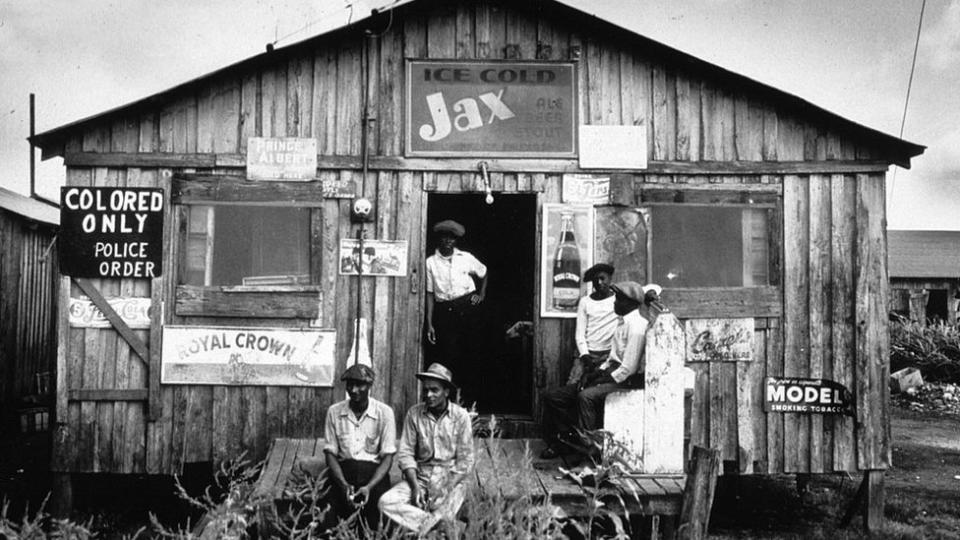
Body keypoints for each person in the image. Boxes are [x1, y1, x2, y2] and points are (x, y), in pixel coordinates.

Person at [540, 281, 661, 459]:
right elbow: (611, 360)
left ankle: (591, 452)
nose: (614, 302)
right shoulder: (621, 323)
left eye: (618, 299)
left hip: (624, 382)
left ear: (629, 303)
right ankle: (566, 441)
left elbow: (628, 368)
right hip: (611, 375)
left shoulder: (636, 327)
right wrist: (593, 374)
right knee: (552, 397)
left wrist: (601, 380)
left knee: (586, 397)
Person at [378, 363, 475, 535]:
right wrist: (415, 486)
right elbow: (406, 455)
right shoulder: (414, 414)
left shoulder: (461, 417)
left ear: (446, 392)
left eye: (434, 390)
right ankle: (437, 526)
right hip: (421, 478)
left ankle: (430, 526)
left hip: (451, 481)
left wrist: (446, 487)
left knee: (443, 509)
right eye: (426, 390)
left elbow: (466, 461)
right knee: (386, 502)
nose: (428, 395)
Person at [322, 363, 397, 531]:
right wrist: (343, 484)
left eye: (359, 384)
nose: (354, 389)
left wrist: (369, 487)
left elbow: (388, 458)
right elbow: (330, 454)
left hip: (373, 474)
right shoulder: (334, 412)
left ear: (370, 386)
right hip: (343, 472)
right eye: (350, 384)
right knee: (330, 513)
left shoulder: (384, 413)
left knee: (378, 517)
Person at [424, 219, 487, 402]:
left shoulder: (466, 258)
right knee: (449, 356)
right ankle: (451, 402)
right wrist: (429, 324)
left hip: (468, 307)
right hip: (445, 312)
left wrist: (481, 295)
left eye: (451, 238)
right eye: (444, 238)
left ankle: (471, 402)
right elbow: (429, 294)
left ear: (456, 240)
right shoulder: (430, 262)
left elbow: (484, 272)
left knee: (472, 353)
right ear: (439, 240)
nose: (447, 241)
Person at [567, 263, 619, 386]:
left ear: (610, 279)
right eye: (596, 280)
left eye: (603, 278)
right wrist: (585, 355)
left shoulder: (618, 300)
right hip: (587, 353)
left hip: (608, 354)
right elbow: (580, 333)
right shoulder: (585, 302)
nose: (600, 283)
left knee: (598, 385)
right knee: (573, 384)